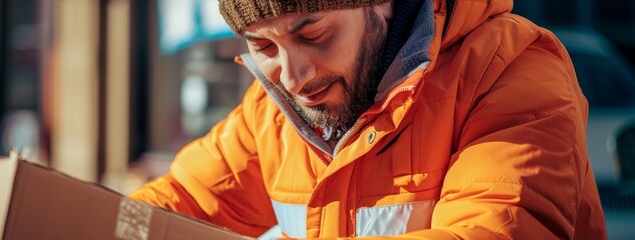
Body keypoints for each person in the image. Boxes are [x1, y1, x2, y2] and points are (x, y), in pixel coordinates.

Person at [130, 0, 607, 238]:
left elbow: (489, 229)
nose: (292, 77)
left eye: (312, 33)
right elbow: (174, 208)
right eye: (263, 47)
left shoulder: (510, 71)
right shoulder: (271, 113)